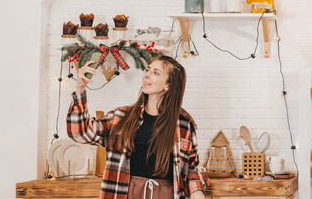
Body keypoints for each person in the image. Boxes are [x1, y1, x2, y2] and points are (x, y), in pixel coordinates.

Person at [67, 55, 210, 199]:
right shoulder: (121, 117)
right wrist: (80, 89)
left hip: (167, 194)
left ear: (169, 85)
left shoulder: (183, 124)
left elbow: (191, 167)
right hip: (126, 192)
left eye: (156, 72)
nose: (147, 75)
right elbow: (80, 132)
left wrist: (197, 190)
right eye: (148, 70)